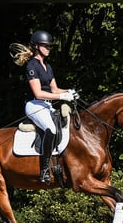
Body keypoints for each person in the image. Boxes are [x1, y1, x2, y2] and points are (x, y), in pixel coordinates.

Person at [10, 30, 78, 183]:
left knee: (64, 125)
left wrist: (69, 92)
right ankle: (44, 169)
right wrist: (61, 97)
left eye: (49, 46)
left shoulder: (48, 66)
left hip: (47, 105)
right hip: (34, 105)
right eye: (45, 46)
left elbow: (54, 89)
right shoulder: (31, 66)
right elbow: (38, 93)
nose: (48, 48)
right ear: (36, 46)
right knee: (51, 129)